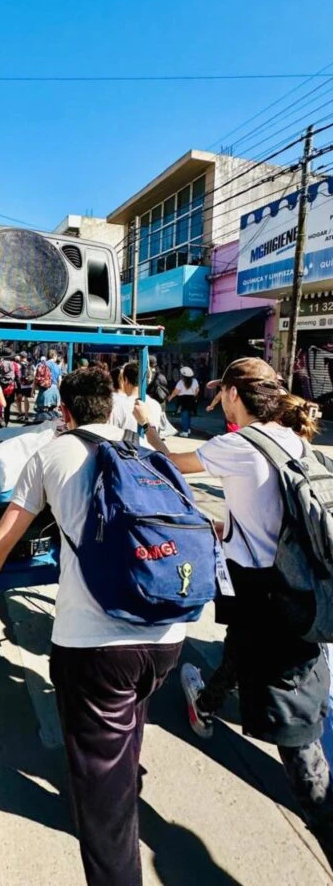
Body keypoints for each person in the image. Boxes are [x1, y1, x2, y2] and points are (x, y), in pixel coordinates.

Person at [0, 368, 183, 886]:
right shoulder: (145, 454)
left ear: (65, 412)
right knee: (128, 727)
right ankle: (119, 783)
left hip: (97, 648)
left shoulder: (52, 453)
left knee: (104, 817)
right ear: (110, 408)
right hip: (168, 635)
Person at [134, 357, 333, 860]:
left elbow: (173, 462)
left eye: (223, 391)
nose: (219, 397)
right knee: (242, 650)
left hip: (268, 595)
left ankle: (326, 822)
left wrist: (148, 426)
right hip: (302, 585)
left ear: (236, 396)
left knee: (293, 717)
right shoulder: (292, 436)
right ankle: (205, 703)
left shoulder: (237, 444)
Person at [168, 365, 199, 437]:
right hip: (192, 398)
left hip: (183, 399)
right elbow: (197, 390)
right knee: (189, 415)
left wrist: (170, 398)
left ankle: (185, 432)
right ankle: (188, 429)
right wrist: (195, 396)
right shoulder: (195, 381)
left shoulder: (181, 382)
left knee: (184, 415)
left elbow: (176, 392)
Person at [16, 351, 35, 422]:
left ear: (20, 357)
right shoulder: (31, 365)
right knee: (26, 399)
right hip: (29, 384)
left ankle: (20, 414)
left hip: (20, 384)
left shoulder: (18, 365)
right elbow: (34, 375)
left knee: (18, 399)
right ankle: (26, 416)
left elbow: (17, 375)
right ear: (26, 357)